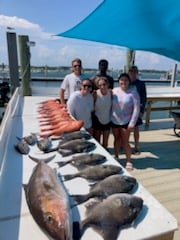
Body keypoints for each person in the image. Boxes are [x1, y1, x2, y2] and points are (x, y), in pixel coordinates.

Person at [111, 73, 140, 171]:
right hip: (114, 120)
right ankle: (116, 156)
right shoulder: (114, 91)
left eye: (126, 80)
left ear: (129, 82)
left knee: (125, 141)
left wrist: (132, 123)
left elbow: (136, 109)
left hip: (126, 121)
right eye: (121, 80)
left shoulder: (133, 93)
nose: (123, 82)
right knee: (116, 139)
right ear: (118, 81)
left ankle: (128, 161)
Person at [128, 65, 147, 155]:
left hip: (136, 110)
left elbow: (144, 98)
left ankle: (136, 147)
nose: (132, 72)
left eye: (134, 71)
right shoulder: (126, 82)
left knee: (136, 129)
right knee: (125, 129)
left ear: (137, 72)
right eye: (131, 71)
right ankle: (125, 144)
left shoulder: (141, 84)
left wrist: (142, 110)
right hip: (126, 110)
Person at [92, 76, 112, 150]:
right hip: (97, 119)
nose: (102, 86)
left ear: (107, 84)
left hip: (107, 119)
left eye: (104, 84)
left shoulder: (111, 93)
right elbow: (92, 106)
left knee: (105, 142)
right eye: (100, 85)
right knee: (97, 141)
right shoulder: (95, 94)